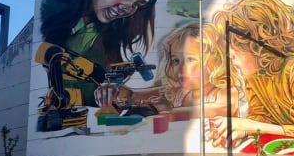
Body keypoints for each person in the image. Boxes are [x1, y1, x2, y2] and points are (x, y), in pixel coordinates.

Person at [204, 0, 294, 152]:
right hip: (292, 150)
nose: (230, 54)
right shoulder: (254, 77)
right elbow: (260, 122)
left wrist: (250, 126)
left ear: (260, 45)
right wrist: (238, 130)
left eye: (236, 45)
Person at [38, 0, 161, 107]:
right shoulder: (52, 4)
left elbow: (100, 86)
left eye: (137, 4)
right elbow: (45, 55)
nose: (128, 8)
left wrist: (109, 86)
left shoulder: (104, 29)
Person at [95, 21, 243, 119]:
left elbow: (221, 109)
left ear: (216, 61)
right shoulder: (177, 91)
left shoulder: (225, 92)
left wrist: (168, 112)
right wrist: (115, 90)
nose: (180, 68)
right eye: (175, 60)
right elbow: (133, 95)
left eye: (190, 59)